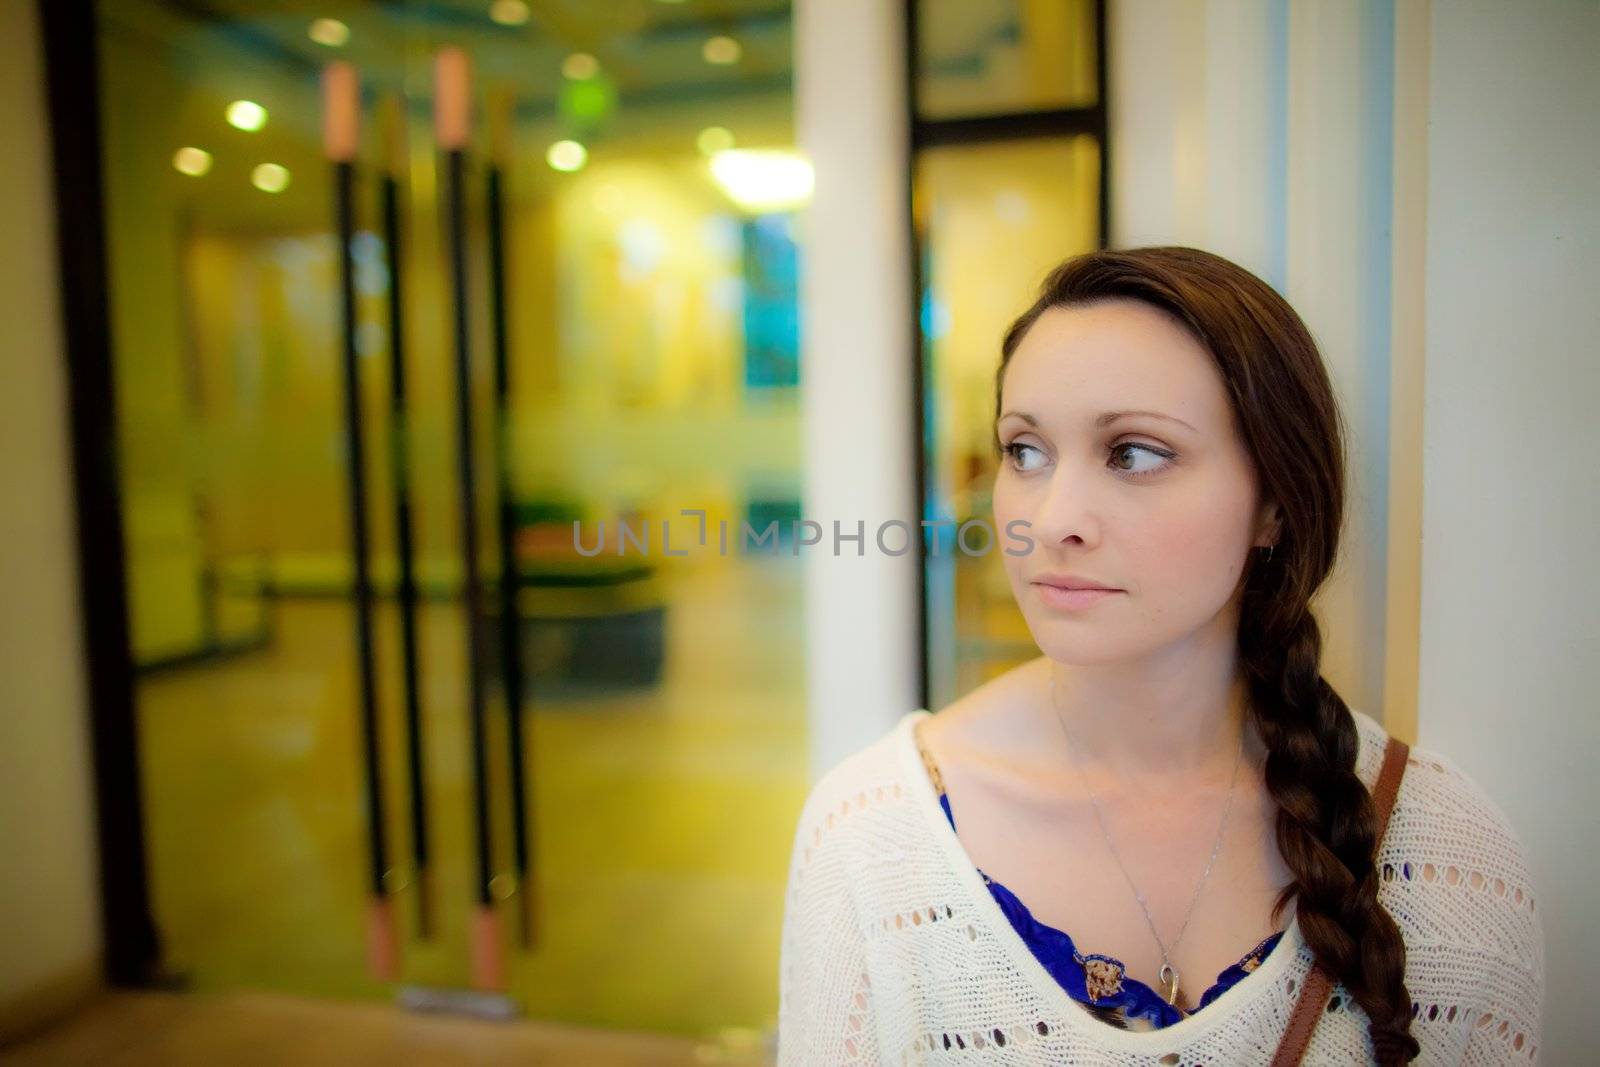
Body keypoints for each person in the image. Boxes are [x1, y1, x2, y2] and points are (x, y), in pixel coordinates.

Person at [776, 247, 1544, 1065]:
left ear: (1275, 505)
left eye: (1134, 452)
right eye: (1025, 450)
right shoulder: (875, 839)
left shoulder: (1443, 855)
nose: (1053, 517)